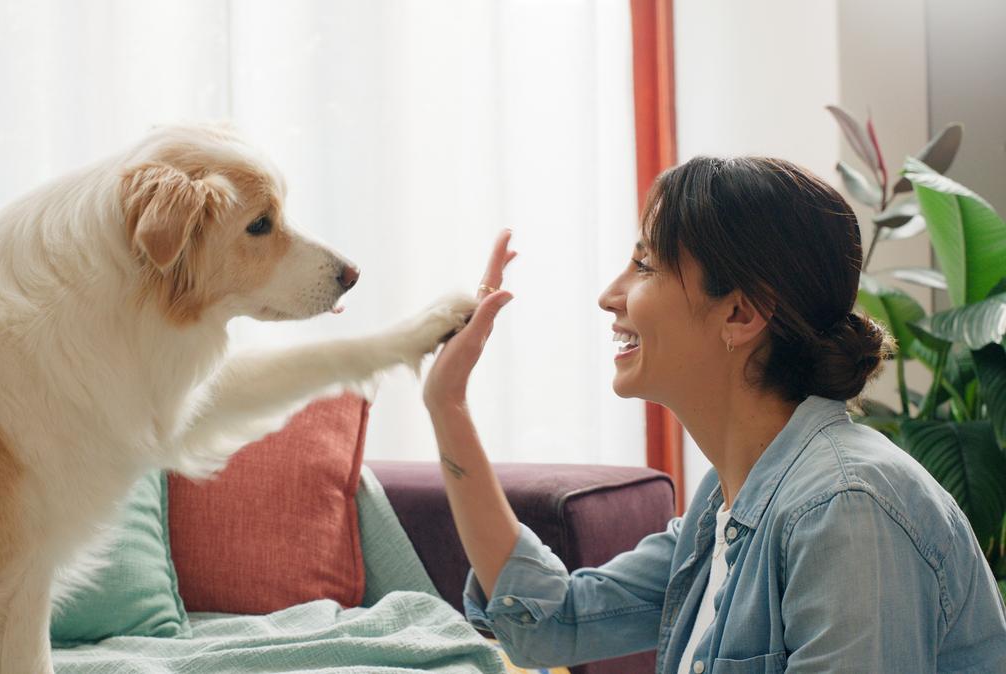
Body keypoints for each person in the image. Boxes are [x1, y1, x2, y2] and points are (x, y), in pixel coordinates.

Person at [422, 156, 1006, 673]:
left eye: (644, 265)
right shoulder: (726, 503)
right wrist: (447, 405)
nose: (610, 294)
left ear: (739, 314)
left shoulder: (846, 510)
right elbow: (552, 622)